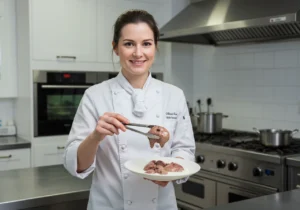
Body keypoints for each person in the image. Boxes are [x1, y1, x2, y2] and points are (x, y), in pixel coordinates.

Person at [63, 9, 195, 210]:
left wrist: (169, 172)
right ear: (115, 48)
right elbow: (77, 165)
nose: (138, 53)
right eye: (128, 44)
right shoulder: (95, 95)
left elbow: (184, 149)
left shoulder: (174, 95)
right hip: (109, 204)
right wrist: (96, 136)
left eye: (146, 44)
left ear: (155, 47)